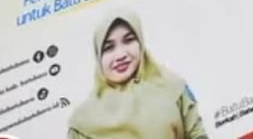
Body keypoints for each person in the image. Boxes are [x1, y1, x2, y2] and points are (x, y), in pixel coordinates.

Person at [68, 10, 207, 139]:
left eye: (128, 40)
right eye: (109, 47)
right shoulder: (83, 121)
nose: (121, 55)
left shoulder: (174, 88)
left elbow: (197, 135)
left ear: (140, 42)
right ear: (98, 55)